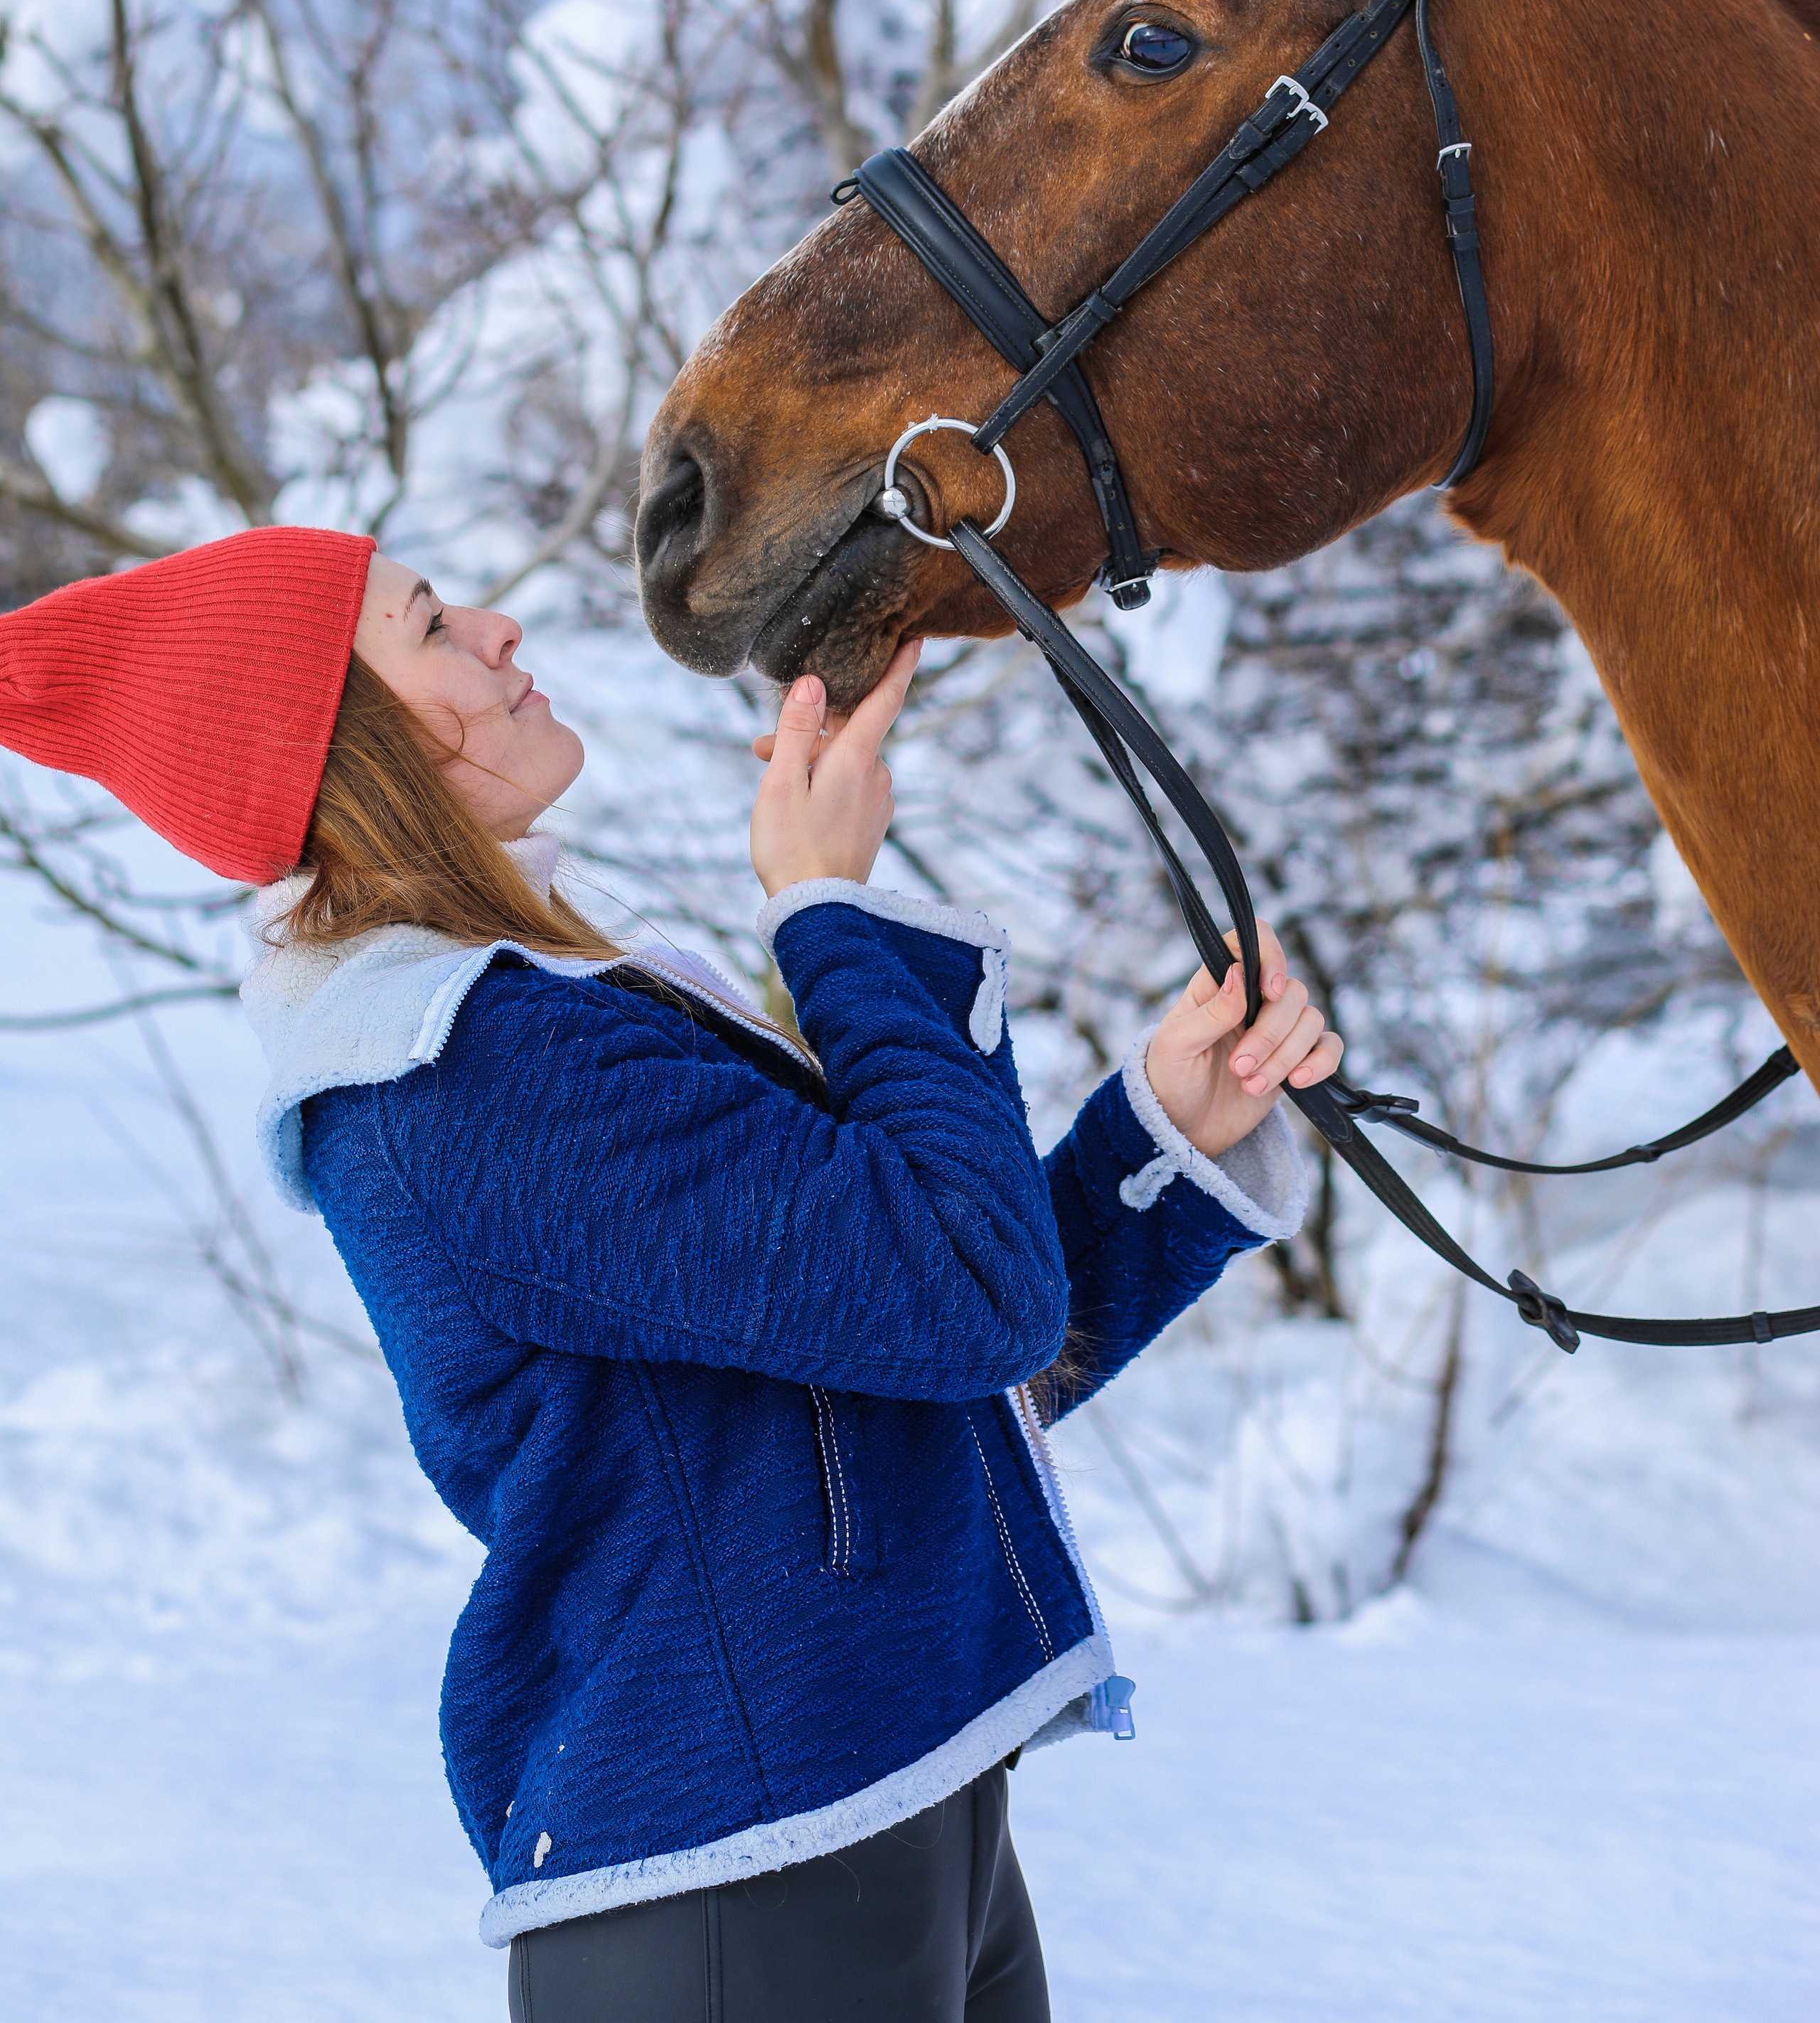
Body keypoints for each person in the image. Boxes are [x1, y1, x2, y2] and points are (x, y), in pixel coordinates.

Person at [0, 524, 1342, 2021]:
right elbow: (965, 1291)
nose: (503, 628)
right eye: (434, 624)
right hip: (739, 1886)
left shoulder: (539, 1023)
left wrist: (1159, 1142)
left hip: (873, 1824)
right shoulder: (467, 1073)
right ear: (344, 744)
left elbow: (916, 1367)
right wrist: (829, 917)